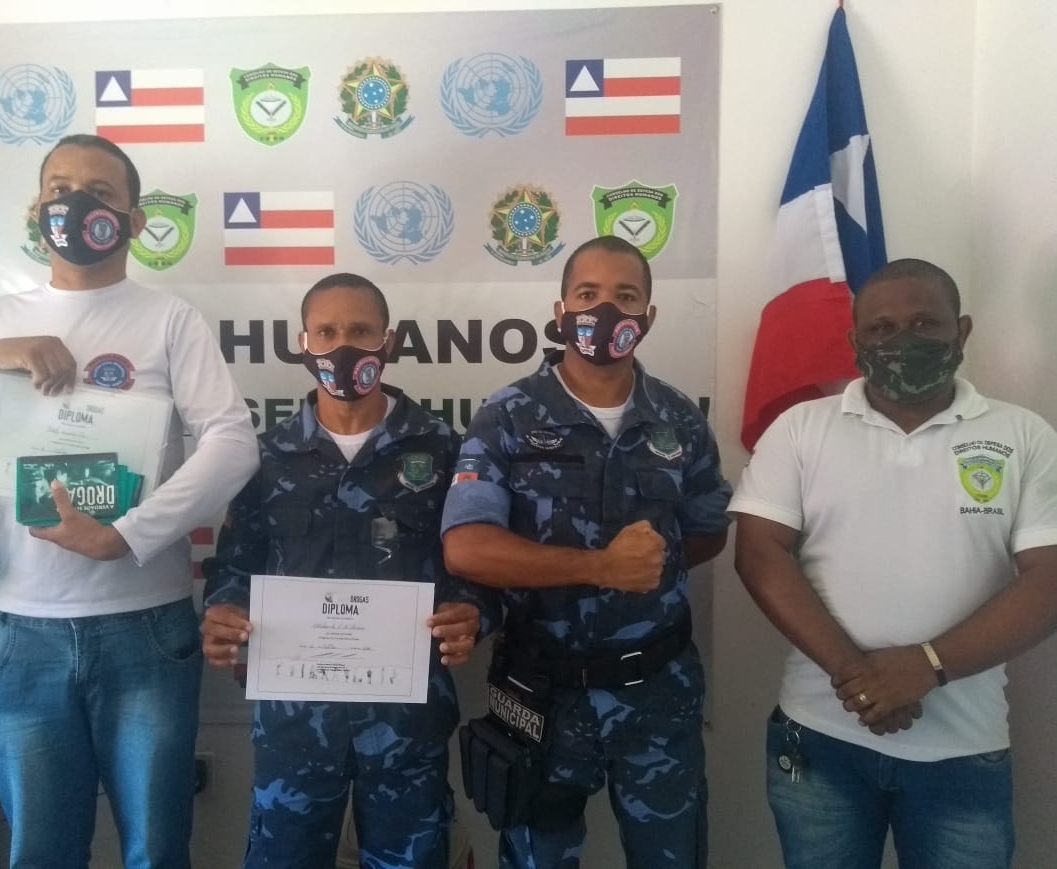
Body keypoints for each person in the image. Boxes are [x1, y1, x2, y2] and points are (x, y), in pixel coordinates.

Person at [0, 133, 259, 868]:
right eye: (58, 189)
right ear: (37, 209)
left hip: (146, 630)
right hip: (24, 637)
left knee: (156, 852)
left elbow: (232, 442)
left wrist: (128, 533)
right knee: (41, 853)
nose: (73, 204)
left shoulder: (169, 319)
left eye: (98, 192)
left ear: (133, 220)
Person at [729, 258, 1057, 869]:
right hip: (821, 736)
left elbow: (1049, 580)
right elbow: (758, 552)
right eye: (881, 329)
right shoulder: (800, 429)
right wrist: (860, 677)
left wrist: (927, 666)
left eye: (924, 323)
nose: (903, 340)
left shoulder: (1025, 435)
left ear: (961, 331)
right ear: (855, 341)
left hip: (962, 752)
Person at [441, 236, 732, 869]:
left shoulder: (678, 419)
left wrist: (653, 572)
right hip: (539, 692)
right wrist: (601, 568)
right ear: (560, 312)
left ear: (648, 316)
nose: (604, 310)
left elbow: (708, 529)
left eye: (625, 296)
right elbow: (467, 548)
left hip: (657, 692)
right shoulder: (508, 414)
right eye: (587, 294)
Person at [201, 273, 497, 869]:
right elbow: (235, 562)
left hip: (406, 724)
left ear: (388, 342)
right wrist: (223, 612)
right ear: (303, 343)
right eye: (327, 332)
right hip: (295, 725)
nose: (343, 346)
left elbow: (477, 565)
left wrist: (473, 613)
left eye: (360, 331)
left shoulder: (444, 450)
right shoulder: (266, 456)